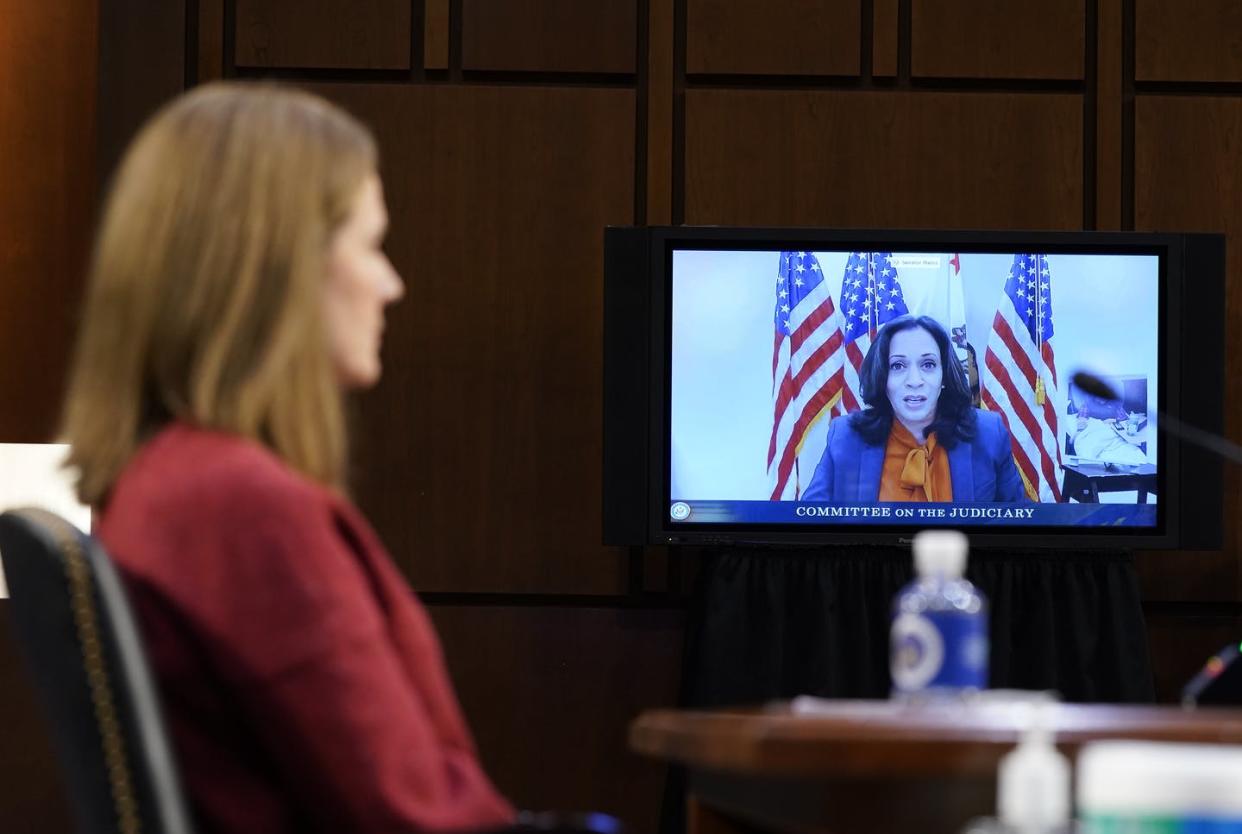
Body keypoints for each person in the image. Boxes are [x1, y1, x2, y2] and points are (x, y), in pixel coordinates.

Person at [59, 84, 515, 833]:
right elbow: (416, 817)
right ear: (279, 268)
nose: (392, 285)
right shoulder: (240, 508)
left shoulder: (165, 482)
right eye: (371, 246)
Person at [801, 314, 1028, 503]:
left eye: (928, 365)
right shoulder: (845, 436)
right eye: (898, 366)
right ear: (883, 378)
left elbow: (1020, 521)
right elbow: (810, 523)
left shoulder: (988, 433)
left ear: (944, 376)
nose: (914, 380)